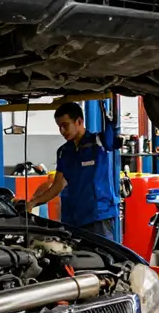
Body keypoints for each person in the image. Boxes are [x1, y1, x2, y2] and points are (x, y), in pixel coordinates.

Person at [24, 100, 120, 239]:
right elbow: (57, 186)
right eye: (59, 127)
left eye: (65, 125)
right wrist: (33, 202)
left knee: (100, 259)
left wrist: (108, 110)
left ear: (79, 122)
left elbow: (112, 135)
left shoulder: (99, 142)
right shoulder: (64, 152)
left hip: (97, 217)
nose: (62, 131)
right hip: (71, 219)